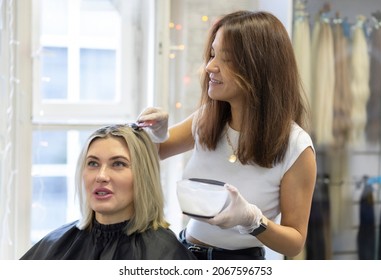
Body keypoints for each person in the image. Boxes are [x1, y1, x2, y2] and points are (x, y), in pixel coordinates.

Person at [137, 10, 317, 260]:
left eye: (227, 59)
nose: (210, 66)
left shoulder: (296, 147)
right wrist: (155, 134)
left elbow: (294, 242)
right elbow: (149, 154)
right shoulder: (207, 119)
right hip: (184, 253)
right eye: (212, 54)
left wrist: (255, 221)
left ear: (259, 68)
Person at [20, 124, 196, 260]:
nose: (101, 176)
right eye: (93, 163)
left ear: (143, 176)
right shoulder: (58, 243)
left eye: (118, 164)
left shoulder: (164, 253)